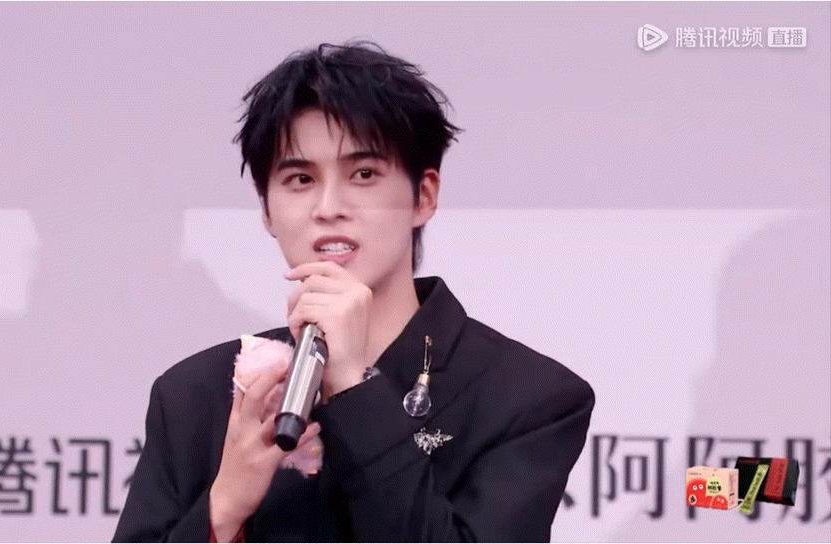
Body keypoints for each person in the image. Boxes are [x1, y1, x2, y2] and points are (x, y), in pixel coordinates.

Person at [112, 40, 594, 543]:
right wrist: (225, 506)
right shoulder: (197, 394)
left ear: (423, 196)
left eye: (363, 175)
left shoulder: (526, 397)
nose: (329, 207)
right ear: (267, 211)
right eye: (300, 179)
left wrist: (353, 387)